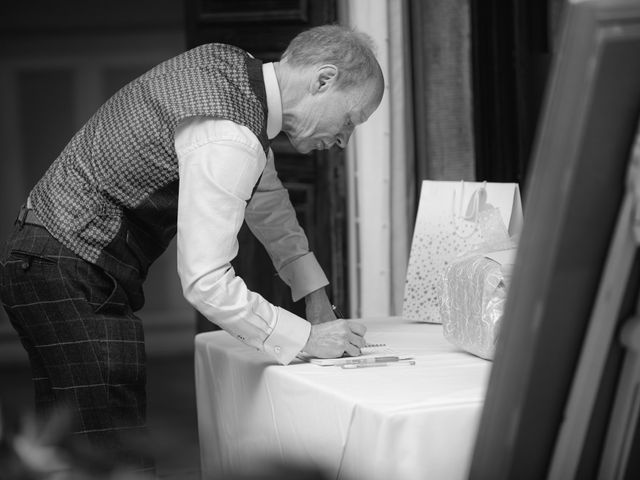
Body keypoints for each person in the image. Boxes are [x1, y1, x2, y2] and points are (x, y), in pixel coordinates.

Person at [0, 24, 384, 472]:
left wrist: (317, 302)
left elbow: (268, 202)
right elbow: (206, 283)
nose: (343, 142)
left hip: (44, 259)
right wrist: (307, 338)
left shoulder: (235, 72)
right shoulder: (230, 132)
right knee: (112, 457)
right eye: (352, 121)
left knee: (67, 453)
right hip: (69, 266)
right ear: (323, 80)